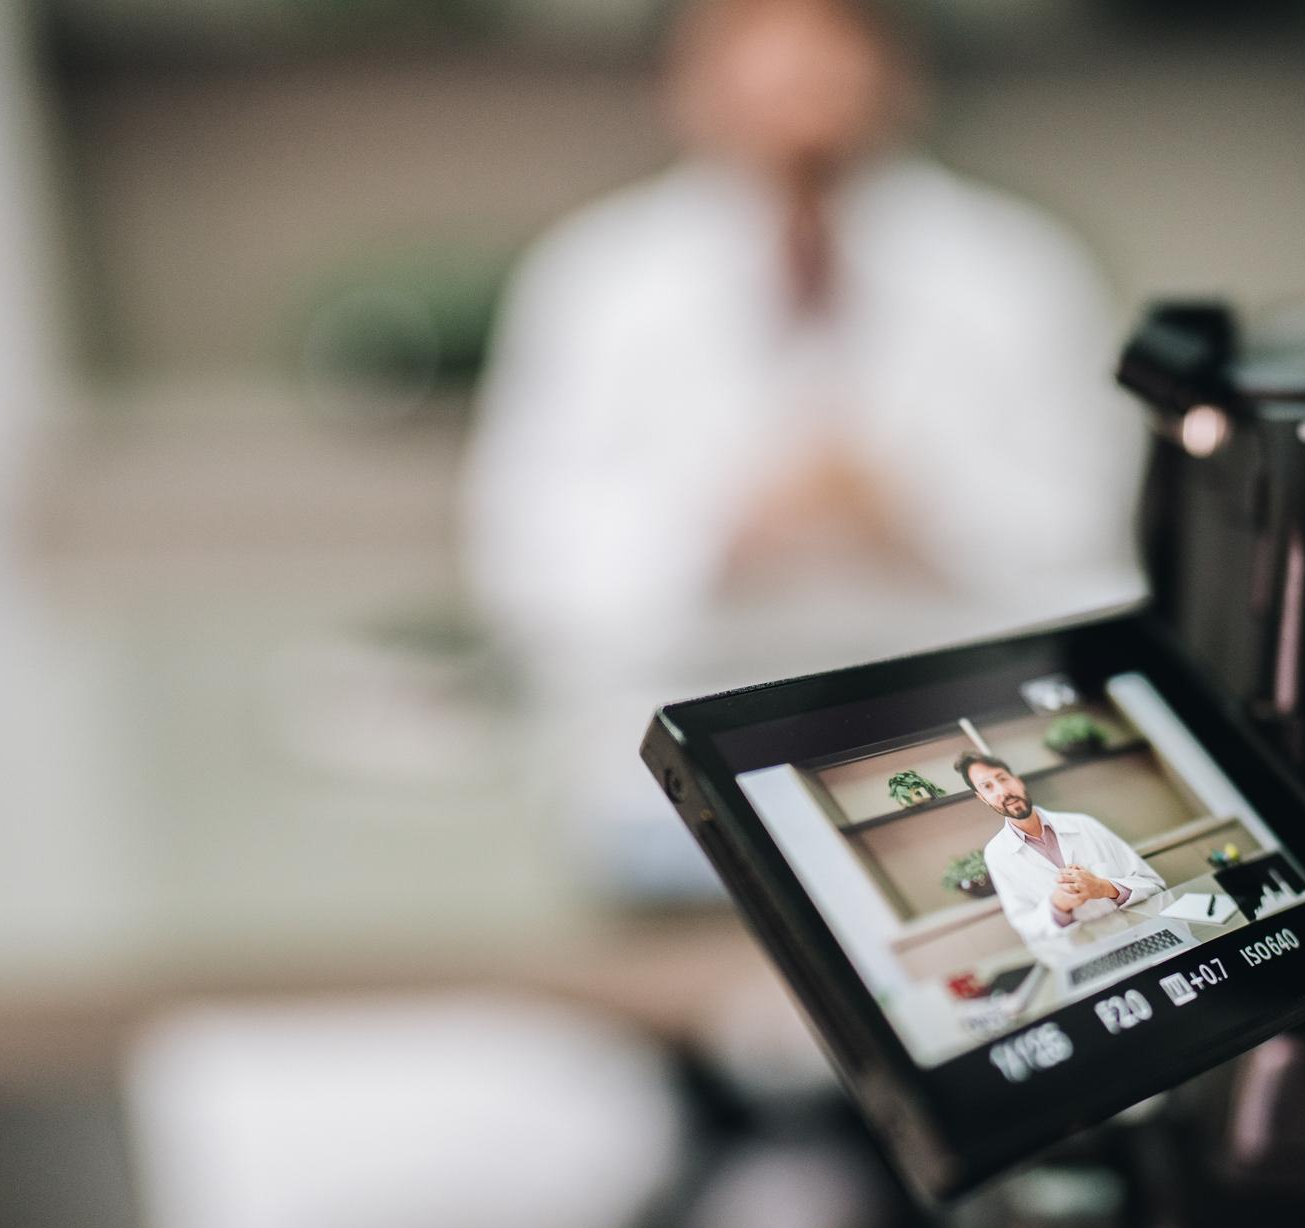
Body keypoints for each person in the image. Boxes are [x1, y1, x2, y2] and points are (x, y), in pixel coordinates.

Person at [463, 0, 1140, 695]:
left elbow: (1096, 525)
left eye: (828, 53)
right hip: (672, 705)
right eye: (758, 58)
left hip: (961, 695)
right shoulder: (595, 277)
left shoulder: (1020, 266)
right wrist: (730, 530)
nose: (798, 85)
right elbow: (523, 556)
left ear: (900, 76)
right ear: (685, 86)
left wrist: (908, 513)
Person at [957, 752, 1164, 966]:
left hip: (1140, 938)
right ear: (981, 798)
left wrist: (1104, 888)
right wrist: (1058, 906)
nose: (1003, 791)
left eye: (1002, 778)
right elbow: (1027, 928)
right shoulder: (997, 854)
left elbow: (1154, 884)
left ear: (1017, 780)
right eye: (988, 787)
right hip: (1083, 960)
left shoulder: (1084, 825)